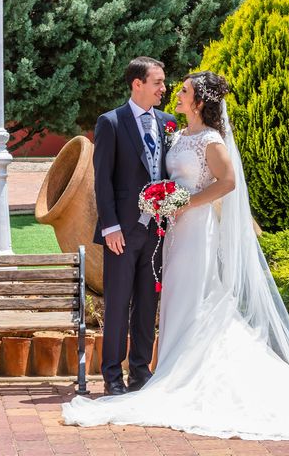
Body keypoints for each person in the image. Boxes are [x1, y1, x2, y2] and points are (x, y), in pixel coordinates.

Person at [63, 71, 289, 443]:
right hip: (165, 232)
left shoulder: (202, 136)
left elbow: (228, 182)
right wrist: (144, 210)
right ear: (137, 84)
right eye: (164, 84)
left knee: (183, 300)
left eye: (182, 91)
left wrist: (185, 202)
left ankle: (158, 375)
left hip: (193, 229)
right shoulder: (164, 130)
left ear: (200, 102)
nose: (172, 92)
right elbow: (119, 177)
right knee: (168, 300)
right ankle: (140, 375)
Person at [92, 56, 177, 396]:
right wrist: (110, 227)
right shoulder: (111, 123)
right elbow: (103, 181)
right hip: (123, 233)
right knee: (117, 304)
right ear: (137, 84)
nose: (163, 88)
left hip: (157, 233)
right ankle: (112, 375)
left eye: (164, 82)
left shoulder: (168, 123)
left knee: (146, 304)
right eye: (157, 82)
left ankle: (141, 372)